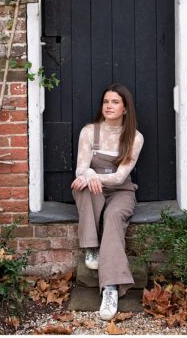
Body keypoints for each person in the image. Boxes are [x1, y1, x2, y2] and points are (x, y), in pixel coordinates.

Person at [71, 83, 145, 320]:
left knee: (113, 216)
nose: (109, 106)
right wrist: (89, 176)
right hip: (94, 190)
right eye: (106, 102)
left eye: (115, 102)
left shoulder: (134, 137)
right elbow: (81, 169)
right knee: (82, 187)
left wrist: (93, 177)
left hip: (121, 191)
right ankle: (91, 248)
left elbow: (120, 176)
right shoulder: (89, 132)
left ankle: (111, 289)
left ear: (125, 108)